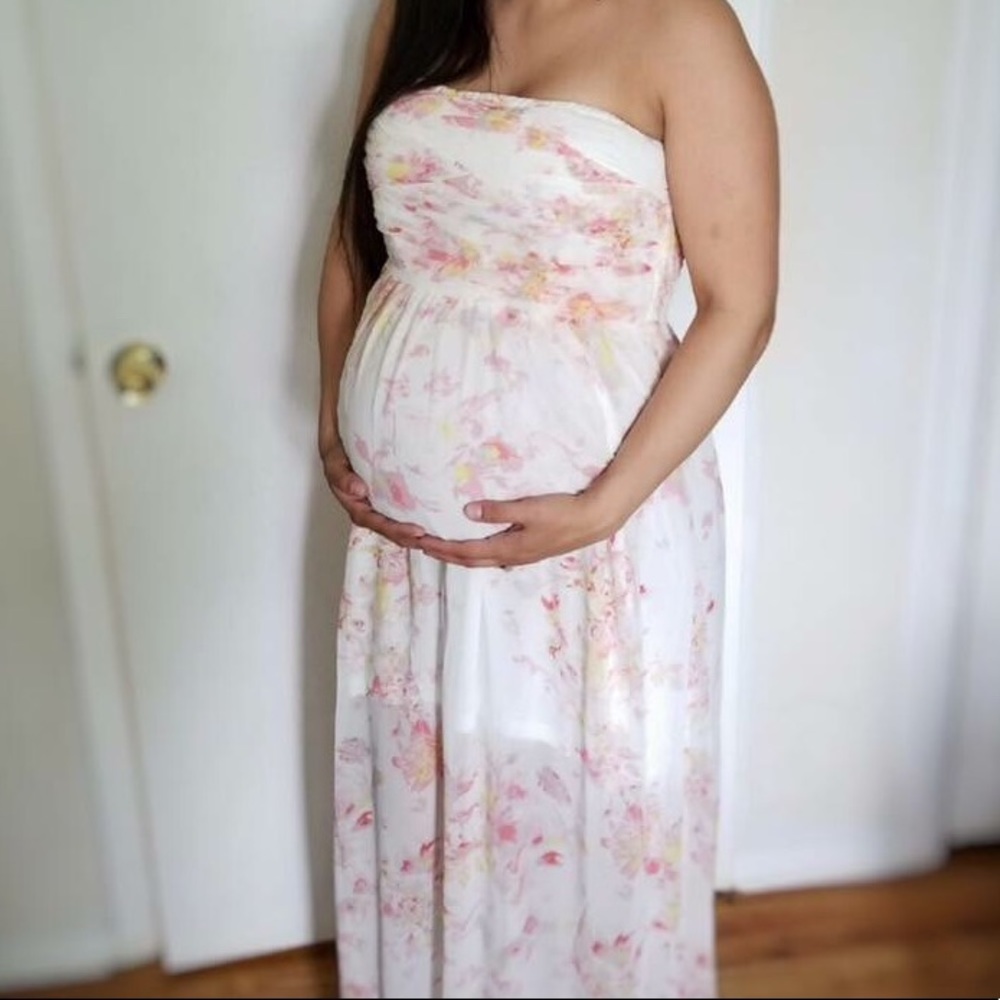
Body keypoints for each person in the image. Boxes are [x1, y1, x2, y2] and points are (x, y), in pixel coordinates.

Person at [317, 0, 778, 995]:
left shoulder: (681, 26)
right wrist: (334, 410)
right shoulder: (416, 8)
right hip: (404, 550)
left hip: (597, 540)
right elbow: (359, 235)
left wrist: (604, 505)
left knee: (579, 816)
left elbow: (741, 305)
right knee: (432, 795)